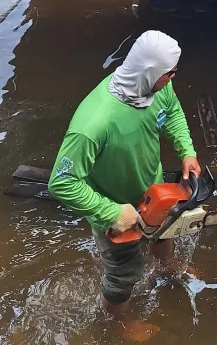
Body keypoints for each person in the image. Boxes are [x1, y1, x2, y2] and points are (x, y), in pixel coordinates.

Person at [48, 30, 200, 338]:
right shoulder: (94, 123)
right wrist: (112, 213)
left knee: (163, 235)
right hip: (114, 210)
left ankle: (168, 266)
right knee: (124, 272)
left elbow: (172, 112)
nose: (172, 79)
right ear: (150, 73)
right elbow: (61, 182)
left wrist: (187, 151)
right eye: (169, 74)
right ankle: (116, 320)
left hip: (153, 191)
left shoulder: (158, 90)